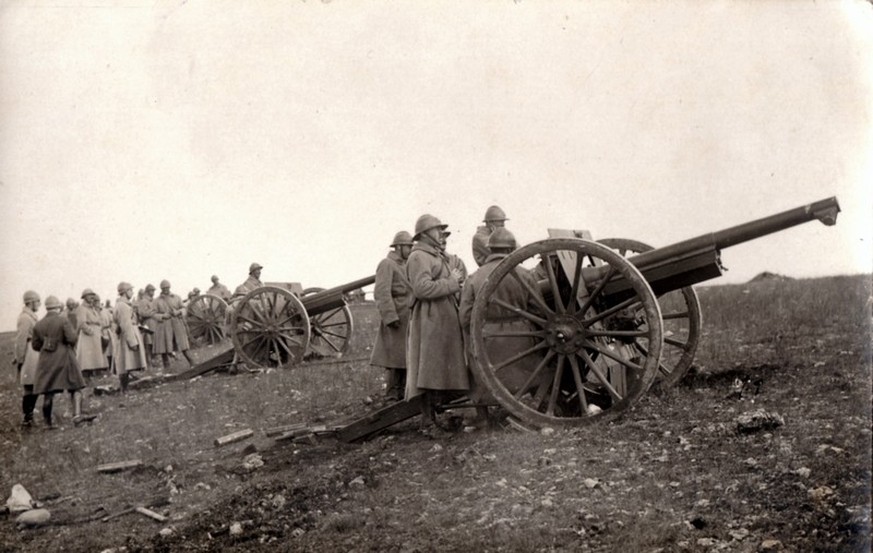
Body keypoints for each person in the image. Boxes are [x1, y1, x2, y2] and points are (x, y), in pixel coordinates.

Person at [459, 228, 543, 425]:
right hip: (522, 342)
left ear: (490, 249)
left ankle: (483, 417)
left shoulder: (474, 278)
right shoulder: (525, 275)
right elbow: (538, 311)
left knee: (476, 364)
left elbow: (464, 317)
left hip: (487, 341)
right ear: (511, 249)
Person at [405, 214, 469, 426]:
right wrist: (451, 282)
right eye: (437, 230)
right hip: (430, 318)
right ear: (423, 234)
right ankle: (427, 421)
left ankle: (438, 413)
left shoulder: (436, 255)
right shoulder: (418, 257)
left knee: (441, 366)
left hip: (443, 317)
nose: (441, 235)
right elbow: (421, 288)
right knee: (428, 369)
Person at [369, 231, 414, 402]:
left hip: (407, 316)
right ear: (399, 246)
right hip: (396, 318)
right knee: (395, 359)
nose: (410, 250)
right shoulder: (387, 264)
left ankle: (403, 393)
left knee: (405, 357)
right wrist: (390, 317)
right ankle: (392, 394)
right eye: (408, 246)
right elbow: (382, 293)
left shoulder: (406, 264)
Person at [31, 295, 88, 428]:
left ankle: (47, 423)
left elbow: (35, 345)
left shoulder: (38, 324)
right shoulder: (63, 320)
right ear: (58, 307)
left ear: (46, 307)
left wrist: (48, 345)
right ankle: (77, 417)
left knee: (48, 391)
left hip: (46, 360)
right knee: (76, 386)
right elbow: (72, 338)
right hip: (65, 358)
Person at [153, 280, 195, 369]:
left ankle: (192, 362)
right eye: (163, 288)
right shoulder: (156, 301)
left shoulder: (176, 297)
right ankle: (167, 366)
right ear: (161, 289)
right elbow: (153, 314)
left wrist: (178, 312)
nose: (165, 290)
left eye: (167, 288)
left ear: (170, 287)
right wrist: (163, 316)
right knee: (164, 346)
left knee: (183, 344)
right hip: (164, 325)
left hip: (177, 323)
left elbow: (184, 308)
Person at [114, 282, 147, 392]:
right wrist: (132, 342)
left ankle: (125, 387)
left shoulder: (123, 304)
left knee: (126, 361)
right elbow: (126, 324)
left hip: (129, 333)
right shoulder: (123, 306)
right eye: (131, 290)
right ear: (125, 292)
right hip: (128, 335)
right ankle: (124, 388)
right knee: (125, 362)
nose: (132, 292)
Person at [14, 291, 41, 427]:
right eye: (37, 301)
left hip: (34, 352)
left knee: (34, 385)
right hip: (29, 352)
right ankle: (27, 418)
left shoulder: (30, 316)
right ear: (30, 302)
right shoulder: (25, 318)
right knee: (29, 386)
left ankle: (29, 416)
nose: (39, 304)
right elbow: (21, 339)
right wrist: (20, 358)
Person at [76, 289, 109, 377]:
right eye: (89, 295)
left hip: (95, 335)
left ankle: (95, 375)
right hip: (88, 337)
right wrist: (91, 332)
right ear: (84, 297)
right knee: (87, 358)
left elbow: (98, 320)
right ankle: (87, 376)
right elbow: (82, 323)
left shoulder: (92, 308)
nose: (91, 297)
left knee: (95, 357)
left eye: (92, 295)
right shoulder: (82, 308)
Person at [136, 284, 158, 368]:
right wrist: (152, 312)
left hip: (154, 323)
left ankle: (152, 361)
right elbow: (142, 313)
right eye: (151, 291)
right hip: (147, 324)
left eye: (153, 290)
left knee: (153, 344)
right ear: (147, 291)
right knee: (148, 344)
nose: (153, 292)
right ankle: (148, 363)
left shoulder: (152, 301)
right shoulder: (143, 301)